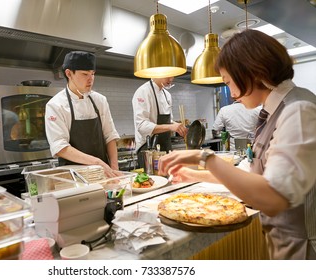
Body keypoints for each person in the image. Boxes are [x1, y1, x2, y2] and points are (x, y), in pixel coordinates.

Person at [158, 29, 316, 260]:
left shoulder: (298, 109)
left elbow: (273, 197)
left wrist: (205, 159)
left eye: (229, 81)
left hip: (306, 248)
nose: (231, 94)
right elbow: (250, 174)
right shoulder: (273, 112)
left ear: (252, 72)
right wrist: (194, 175)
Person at [45, 51, 120, 177]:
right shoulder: (56, 105)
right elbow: (60, 147)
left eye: (93, 74)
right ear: (69, 73)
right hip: (73, 178)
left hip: (103, 176)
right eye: (85, 74)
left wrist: (114, 168)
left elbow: (110, 136)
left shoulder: (100, 100)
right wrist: (96, 162)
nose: (90, 79)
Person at [132, 77, 187, 168]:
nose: (171, 79)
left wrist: (176, 126)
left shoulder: (167, 95)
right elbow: (141, 126)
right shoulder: (143, 92)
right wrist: (170, 127)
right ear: (157, 73)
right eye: (168, 75)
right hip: (148, 150)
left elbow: (169, 121)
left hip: (166, 148)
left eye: (173, 75)